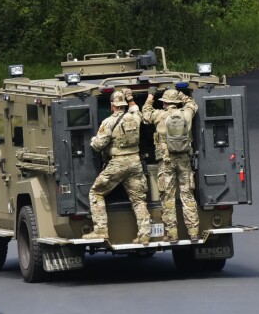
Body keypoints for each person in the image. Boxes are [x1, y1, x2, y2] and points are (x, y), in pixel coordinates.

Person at [83, 89, 151, 244]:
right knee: (139, 199)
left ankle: (100, 231)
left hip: (118, 163)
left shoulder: (108, 122)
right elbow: (135, 109)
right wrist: (130, 97)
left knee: (96, 192)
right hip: (135, 162)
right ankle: (144, 235)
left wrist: (93, 139)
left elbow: (98, 145)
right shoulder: (136, 118)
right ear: (124, 105)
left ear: (112, 105)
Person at [142, 88, 200, 242]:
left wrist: (150, 96)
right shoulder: (186, 114)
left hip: (166, 162)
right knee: (187, 196)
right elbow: (192, 103)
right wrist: (181, 94)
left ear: (165, 103)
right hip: (184, 161)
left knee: (168, 198)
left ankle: (172, 234)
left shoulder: (160, 115)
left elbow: (145, 114)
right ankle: (193, 232)